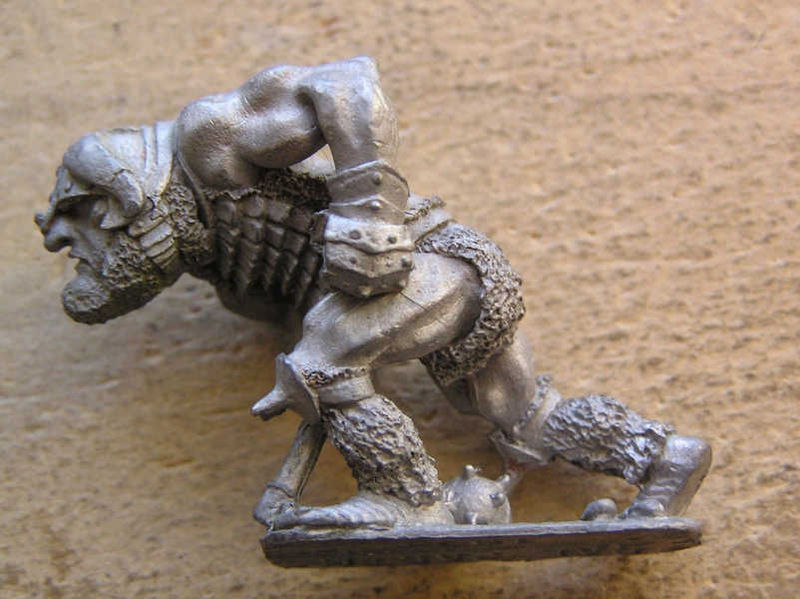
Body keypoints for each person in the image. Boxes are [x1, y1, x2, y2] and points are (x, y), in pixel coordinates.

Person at [37, 57, 710, 529]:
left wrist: (366, 214)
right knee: (522, 415)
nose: (70, 250)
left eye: (78, 231)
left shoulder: (207, 140)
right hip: (438, 284)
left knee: (324, 361)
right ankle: (664, 459)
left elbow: (345, 82)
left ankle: (406, 497)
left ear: (115, 202)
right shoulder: (222, 265)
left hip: (434, 261)